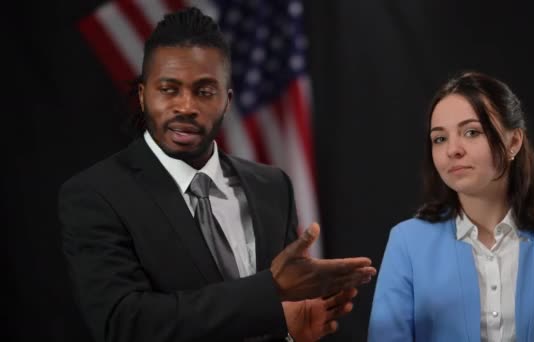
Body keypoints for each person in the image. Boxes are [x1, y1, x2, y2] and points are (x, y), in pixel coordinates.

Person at [58, 7, 376, 342]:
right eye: (168, 89)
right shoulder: (96, 195)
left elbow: (267, 318)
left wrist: (289, 332)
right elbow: (124, 323)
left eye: (204, 91)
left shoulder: (272, 187)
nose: (185, 106)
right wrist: (270, 289)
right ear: (142, 95)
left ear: (227, 101)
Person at [368, 71, 534, 341]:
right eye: (440, 138)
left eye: (471, 132)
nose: (452, 150)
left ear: (513, 142)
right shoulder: (407, 242)